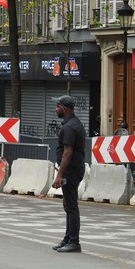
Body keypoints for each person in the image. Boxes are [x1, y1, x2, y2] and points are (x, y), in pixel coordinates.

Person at [51, 95, 86, 253]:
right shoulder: (72, 123)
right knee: (68, 205)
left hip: (71, 170)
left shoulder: (70, 127)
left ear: (64, 108)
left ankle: (74, 242)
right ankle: (67, 238)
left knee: (71, 206)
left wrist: (60, 175)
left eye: (57, 106)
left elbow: (67, 152)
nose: (55, 109)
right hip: (72, 169)